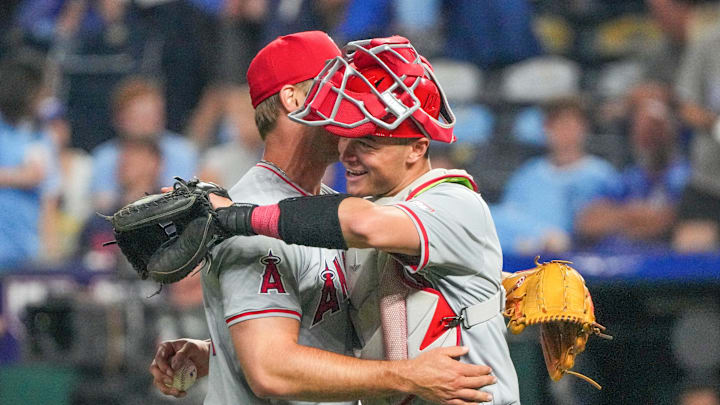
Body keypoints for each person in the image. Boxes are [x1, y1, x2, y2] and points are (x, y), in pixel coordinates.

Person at [149, 31, 496, 405]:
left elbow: (312, 329)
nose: (353, 103)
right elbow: (271, 370)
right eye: (337, 86)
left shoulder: (327, 209)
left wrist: (216, 351)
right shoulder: (247, 218)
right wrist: (407, 376)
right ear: (293, 98)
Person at [489, 96, 619, 254]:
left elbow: (607, 224)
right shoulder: (527, 174)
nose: (564, 132)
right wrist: (538, 236)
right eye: (557, 125)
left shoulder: (601, 175)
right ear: (546, 129)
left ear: (584, 129)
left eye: (571, 125)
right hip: (525, 258)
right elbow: (506, 217)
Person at [576, 97, 690, 252]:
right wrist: (635, 217)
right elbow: (588, 222)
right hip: (616, 262)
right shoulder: (629, 177)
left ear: (671, 132)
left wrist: (619, 216)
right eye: (642, 129)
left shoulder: (685, 178)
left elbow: (670, 221)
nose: (649, 137)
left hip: (665, 265)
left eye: (656, 129)